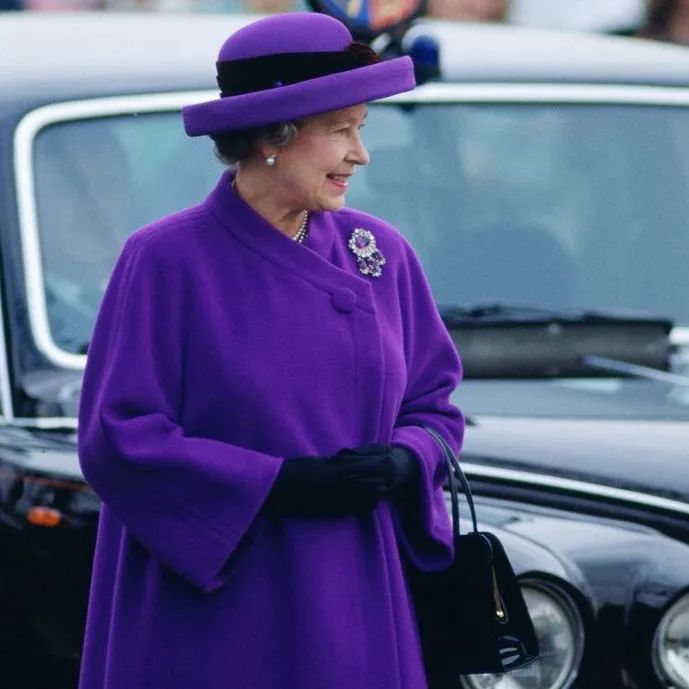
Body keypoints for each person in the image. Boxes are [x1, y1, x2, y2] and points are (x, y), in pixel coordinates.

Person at [77, 11, 464, 689]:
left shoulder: (379, 255)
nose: (360, 154)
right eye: (341, 131)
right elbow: (119, 437)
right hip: (214, 607)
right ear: (271, 138)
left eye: (361, 130)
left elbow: (434, 404)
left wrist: (409, 459)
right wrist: (277, 484)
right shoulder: (166, 261)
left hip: (354, 590)